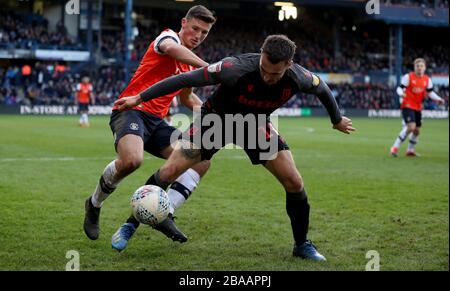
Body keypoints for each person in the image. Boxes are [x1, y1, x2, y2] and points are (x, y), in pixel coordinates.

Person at [114, 35, 355, 261]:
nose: (268, 77)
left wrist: (336, 120)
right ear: (261, 54)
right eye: (264, 69)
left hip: (254, 126)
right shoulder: (233, 68)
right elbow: (185, 79)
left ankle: (302, 244)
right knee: (168, 172)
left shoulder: (299, 76)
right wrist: (139, 98)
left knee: (294, 182)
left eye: (275, 74)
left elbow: (322, 88)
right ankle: (129, 225)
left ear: (289, 64)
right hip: (215, 122)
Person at [83, 5, 217, 252]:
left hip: (157, 122)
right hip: (130, 110)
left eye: (205, 33)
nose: (198, 35)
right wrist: (210, 68)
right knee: (132, 160)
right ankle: (93, 204)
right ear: (183, 23)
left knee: (201, 161)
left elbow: (188, 98)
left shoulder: (189, 66)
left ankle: (164, 212)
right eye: (195, 28)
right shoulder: (167, 37)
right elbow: (170, 49)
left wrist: (212, 114)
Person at [390, 58, 444, 157]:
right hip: (407, 105)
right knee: (411, 127)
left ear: (425, 68)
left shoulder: (427, 80)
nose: (419, 68)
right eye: (417, 66)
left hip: (418, 107)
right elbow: (399, 88)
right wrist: (401, 94)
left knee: (416, 131)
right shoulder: (408, 77)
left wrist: (438, 99)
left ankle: (410, 150)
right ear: (414, 67)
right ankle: (394, 147)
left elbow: (430, 92)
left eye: (421, 66)